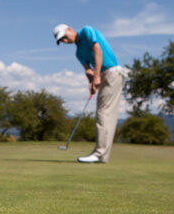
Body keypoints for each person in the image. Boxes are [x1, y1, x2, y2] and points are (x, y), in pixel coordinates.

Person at [53, 24, 125, 163]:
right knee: (102, 113)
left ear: (69, 29)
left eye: (64, 37)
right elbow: (88, 70)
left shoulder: (86, 31)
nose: (65, 41)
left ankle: (99, 154)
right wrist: (91, 82)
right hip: (103, 75)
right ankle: (101, 155)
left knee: (104, 113)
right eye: (62, 41)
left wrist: (97, 76)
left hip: (112, 73)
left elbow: (98, 51)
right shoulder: (78, 53)